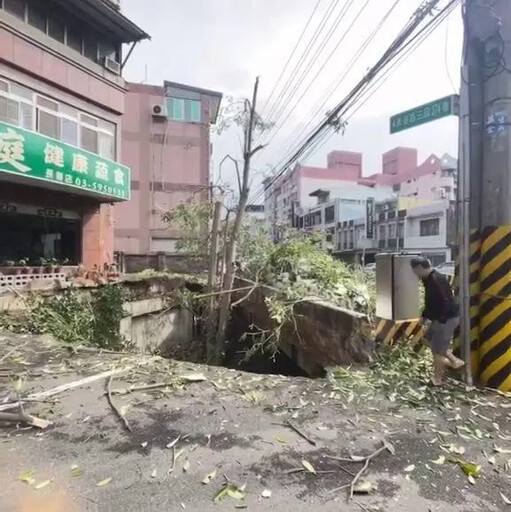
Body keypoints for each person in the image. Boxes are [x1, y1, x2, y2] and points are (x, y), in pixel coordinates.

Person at [410, 257, 465, 386]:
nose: (414, 274)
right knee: (429, 340)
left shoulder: (435, 280)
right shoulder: (428, 279)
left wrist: (441, 320)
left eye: (414, 271)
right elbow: (430, 302)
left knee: (438, 351)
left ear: (419, 267)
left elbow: (445, 301)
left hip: (446, 318)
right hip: (441, 317)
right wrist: (424, 317)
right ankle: (454, 361)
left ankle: (438, 379)